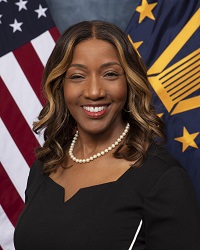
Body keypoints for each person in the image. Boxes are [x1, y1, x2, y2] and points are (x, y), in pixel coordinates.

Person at [14, 20, 200, 250]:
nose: (94, 92)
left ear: (129, 83)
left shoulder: (163, 179)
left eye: (110, 74)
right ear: (60, 85)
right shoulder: (44, 166)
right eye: (77, 76)